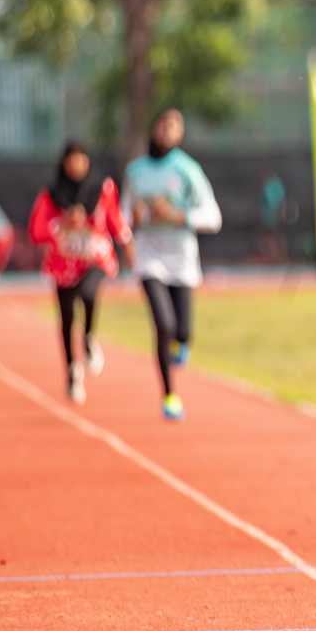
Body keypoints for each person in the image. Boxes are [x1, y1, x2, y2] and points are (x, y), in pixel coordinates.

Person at [123, 109, 223, 421]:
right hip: (149, 257)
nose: (167, 131)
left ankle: (181, 344)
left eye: (175, 127)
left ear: (181, 135)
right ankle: (169, 395)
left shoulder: (187, 170)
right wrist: (136, 220)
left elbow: (213, 217)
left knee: (182, 331)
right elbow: (125, 216)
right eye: (164, 125)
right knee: (163, 325)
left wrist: (176, 215)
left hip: (181, 259)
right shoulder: (136, 171)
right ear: (155, 128)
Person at [28, 143, 135, 403]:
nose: (76, 165)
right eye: (71, 160)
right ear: (64, 163)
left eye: (80, 159)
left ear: (88, 161)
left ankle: (88, 337)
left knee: (88, 292)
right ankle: (72, 371)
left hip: (94, 258)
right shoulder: (51, 195)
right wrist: (63, 223)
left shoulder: (103, 188)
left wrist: (129, 247)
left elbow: (115, 219)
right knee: (65, 318)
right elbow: (36, 231)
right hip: (64, 262)